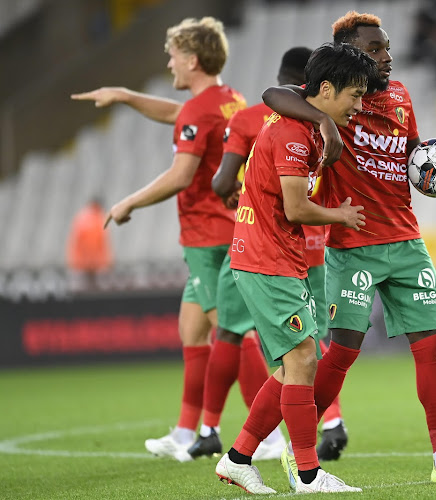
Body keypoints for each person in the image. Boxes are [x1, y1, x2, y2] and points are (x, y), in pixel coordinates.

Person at [262, 11, 436, 486]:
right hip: (352, 244)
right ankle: (296, 448)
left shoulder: (401, 95)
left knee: (432, 350)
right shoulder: (336, 99)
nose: (387, 56)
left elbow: (407, 155)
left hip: (406, 240)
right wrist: (324, 125)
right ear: (350, 56)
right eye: (375, 49)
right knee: (341, 354)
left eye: (386, 47)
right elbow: (274, 96)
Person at [70, 17, 280, 462]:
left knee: (233, 332)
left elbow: (182, 174)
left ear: (192, 59)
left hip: (208, 236)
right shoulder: (229, 100)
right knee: (192, 330)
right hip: (228, 228)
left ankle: (269, 435)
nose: (169, 63)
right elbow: (177, 113)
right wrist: (126, 97)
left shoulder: (200, 110)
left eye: (173, 56)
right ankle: (186, 433)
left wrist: (129, 202)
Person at [214, 42, 375, 494]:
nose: (358, 107)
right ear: (326, 90)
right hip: (265, 261)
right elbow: (296, 207)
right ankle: (308, 474)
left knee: (292, 366)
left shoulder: (305, 125)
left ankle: (238, 458)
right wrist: (340, 216)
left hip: (278, 258)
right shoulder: (291, 133)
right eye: (354, 96)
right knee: (304, 357)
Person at [65, 197, 113, 292]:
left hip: (80, 265)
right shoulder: (98, 220)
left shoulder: (81, 218)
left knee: (80, 294)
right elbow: (98, 245)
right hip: (91, 266)